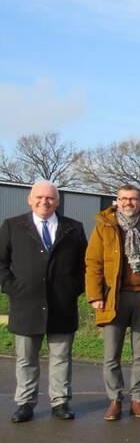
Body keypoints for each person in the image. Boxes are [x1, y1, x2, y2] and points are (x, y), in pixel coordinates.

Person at [2, 180, 87, 423]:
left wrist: (74, 290)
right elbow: (1, 263)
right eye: (39, 197)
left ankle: (60, 402)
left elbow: (85, 265)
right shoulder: (12, 226)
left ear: (57, 201)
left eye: (49, 198)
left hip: (62, 305)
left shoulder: (74, 228)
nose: (44, 201)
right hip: (25, 304)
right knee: (26, 359)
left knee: (61, 357)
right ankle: (25, 403)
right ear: (30, 199)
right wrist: (12, 288)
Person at [85, 184, 140, 421]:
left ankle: (137, 399)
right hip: (113, 297)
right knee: (111, 354)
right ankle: (115, 399)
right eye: (124, 199)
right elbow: (93, 263)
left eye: (133, 199)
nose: (128, 203)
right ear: (116, 201)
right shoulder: (104, 228)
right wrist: (95, 295)